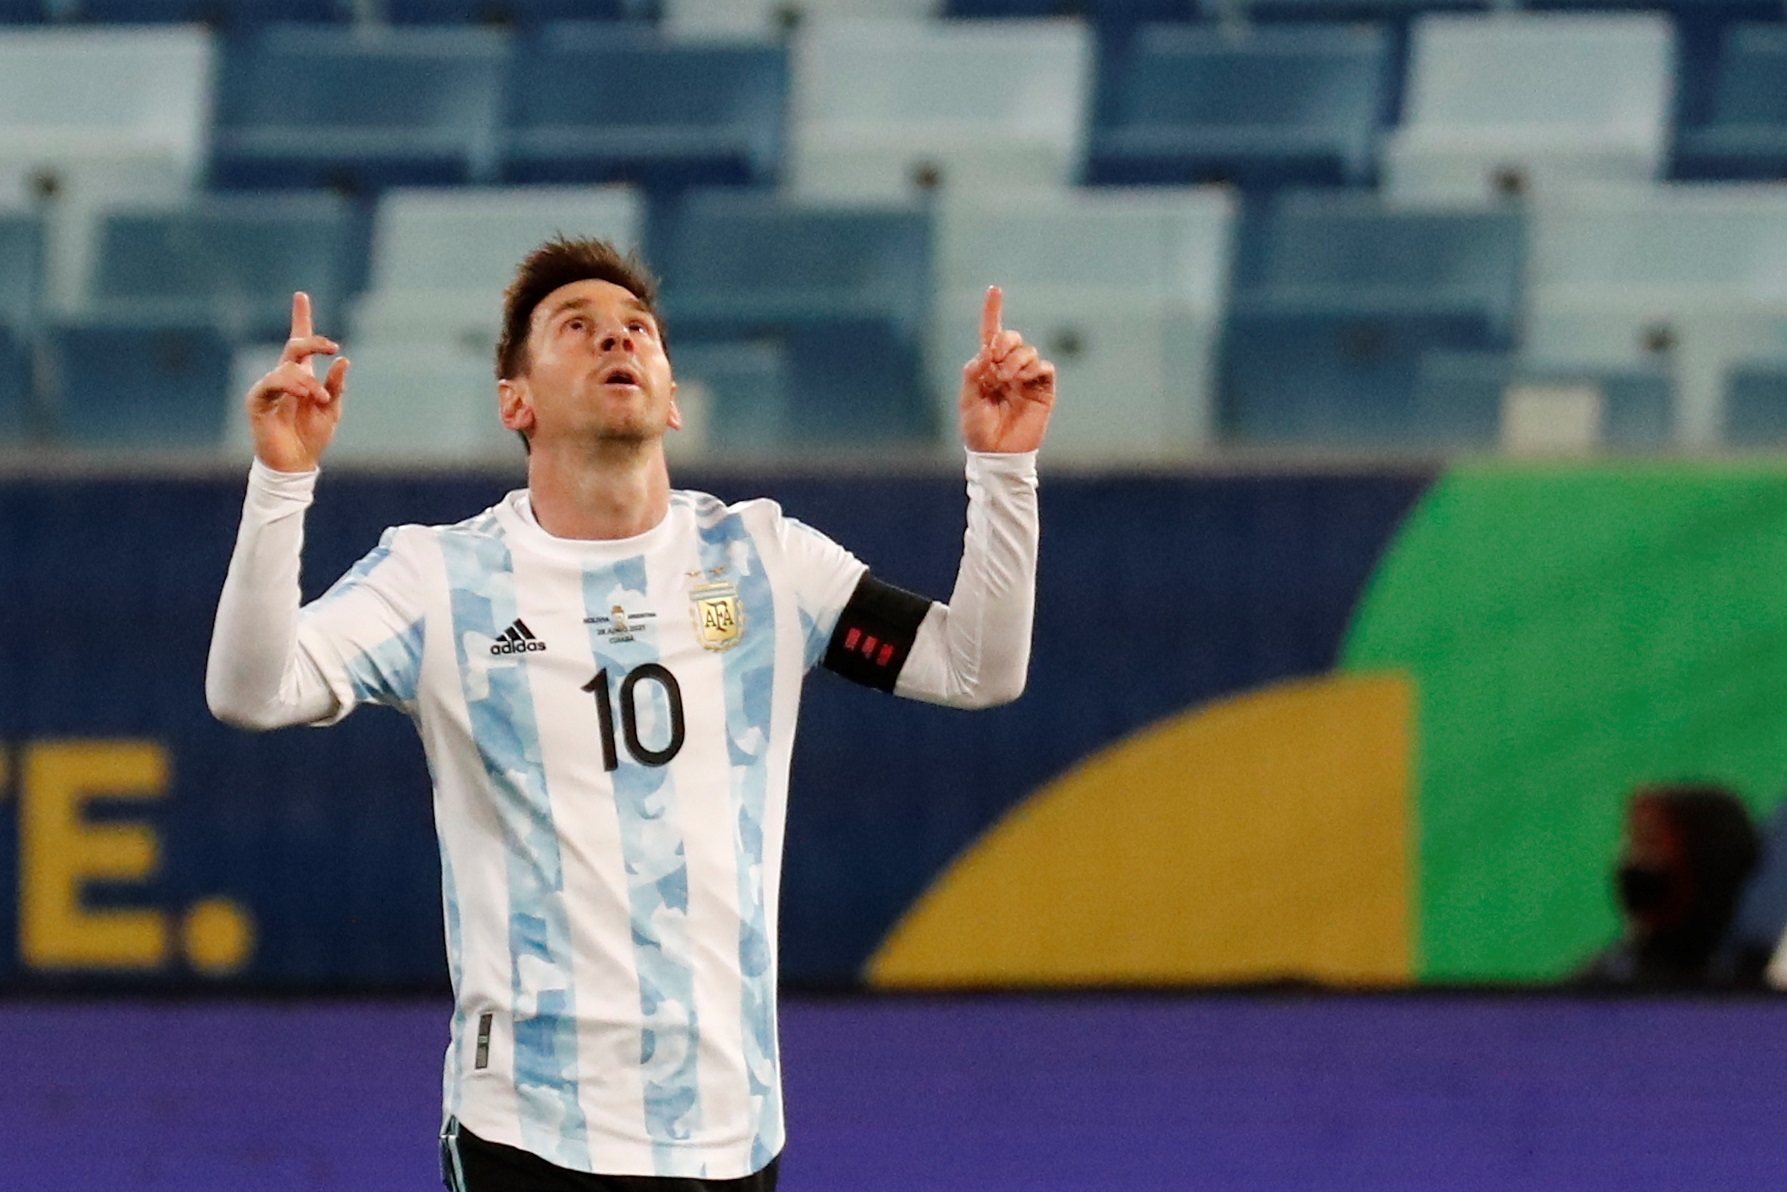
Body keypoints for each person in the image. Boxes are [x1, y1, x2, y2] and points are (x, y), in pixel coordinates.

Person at [205, 237, 1053, 1191]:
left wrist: (1002, 470)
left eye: (639, 330)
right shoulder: (436, 578)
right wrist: (281, 480)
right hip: (529, 1129)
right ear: (515, 401)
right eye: (578, 328)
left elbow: (977, 667)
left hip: (730, 1127)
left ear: (674, 396)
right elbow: (250, 691)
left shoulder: (766, 560)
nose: (619, 340)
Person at [1576, 782, 1764, 989]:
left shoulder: (1754, 984)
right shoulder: (1607, 980)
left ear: (1706, 861)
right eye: (1632, 842)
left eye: (1651, 844)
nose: (1630, 860)